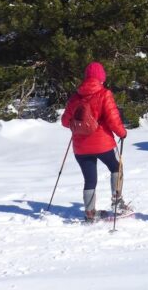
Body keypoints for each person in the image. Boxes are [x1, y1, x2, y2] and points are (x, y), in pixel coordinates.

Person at [61, 61, 129, 222]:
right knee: (115, 166)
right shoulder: (104, 94)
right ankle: (117, 202)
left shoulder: (75, 97)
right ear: (101, 78)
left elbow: (65, 121)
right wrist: (122, 133)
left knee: (90, 179)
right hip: (102, 143)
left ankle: (90, 213)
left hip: (80, 146)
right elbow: (113, 119)